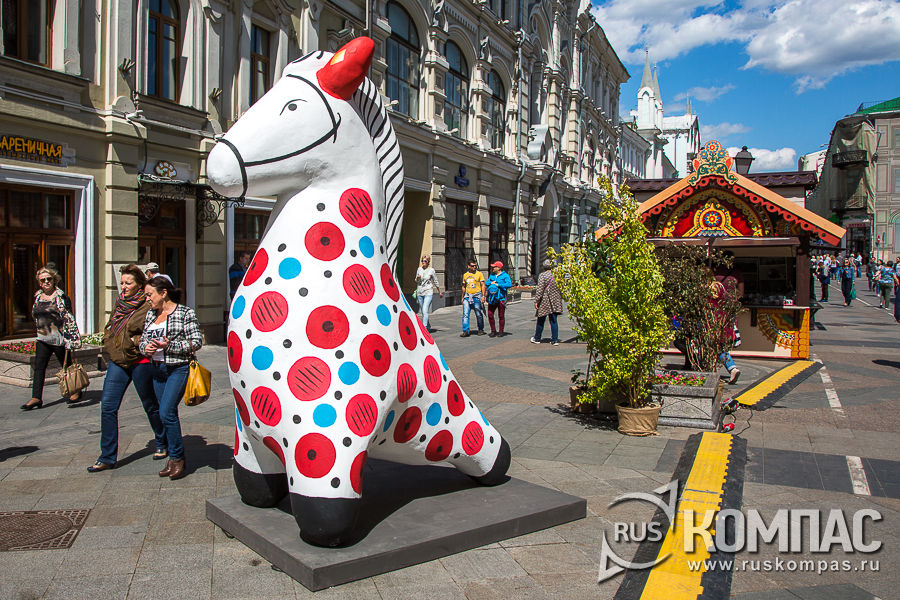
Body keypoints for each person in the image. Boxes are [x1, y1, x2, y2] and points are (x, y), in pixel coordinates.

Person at [87, 265, 167, 472]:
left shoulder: (148, 305)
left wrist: (136, 341)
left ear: (139, 285)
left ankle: (162, 440)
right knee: (108, 407)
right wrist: (108, 340)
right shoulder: (121, 302)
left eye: (128, 283)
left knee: (150, 405)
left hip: (140, 361)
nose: (123, 287)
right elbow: (112, 326)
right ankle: (107, 457)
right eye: (122, 282)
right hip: (118, 361)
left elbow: (155, 329)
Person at [139, 276, 202, 480]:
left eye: (150, 294)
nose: (147, 299)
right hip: (157, 369)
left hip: (178, 368)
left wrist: (169, 346)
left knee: (166, 411)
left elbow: (196, 342)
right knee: (165, 413)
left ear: (163, 293)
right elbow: (142, 340)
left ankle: (177, 458)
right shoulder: (151, 314)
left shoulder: (184, 313)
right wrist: (146, 349)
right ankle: (173, 457)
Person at [21, 267, 82, 410]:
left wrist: (71, 339)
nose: (46, 282)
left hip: (59, 339)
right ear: (39, 283)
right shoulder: (38, 297)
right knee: (39, 368)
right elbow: (35, 315)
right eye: (43, 280)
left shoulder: (61, 297)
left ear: (54, 280)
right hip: (43, 339)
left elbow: (69, 318)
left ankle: (75, 391)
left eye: (49, 279)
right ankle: (36, 397)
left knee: (67, 367)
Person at [532, 259, 562, 345]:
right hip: (555, 300)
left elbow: (540, 289)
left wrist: (536, 300)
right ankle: (555, 340)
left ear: (544, 266)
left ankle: (537, 338)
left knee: (541, 319)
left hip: (545, 300)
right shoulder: (558, 275)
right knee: (553, 320)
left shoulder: (543, 275)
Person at [414, 255, 442, 331]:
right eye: (422, 261)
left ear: (428, 262)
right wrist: (417, 278)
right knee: (423, 312)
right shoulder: (419, 269)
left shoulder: (431, 270)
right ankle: (428, 326)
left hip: (428, 292)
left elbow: (435, 281)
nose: (423, 262)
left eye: (425, 261)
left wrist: (439, 291)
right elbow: (416, 280)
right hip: (420, 292)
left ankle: (424, 328)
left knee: (425, 310)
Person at [485, 261, 512, 337]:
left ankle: (501, 331)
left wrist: (498, 284)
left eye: (494, 267)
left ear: (499, 268)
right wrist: (491, 283)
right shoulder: (492, 275)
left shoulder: (505, 275)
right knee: (490, 314)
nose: (492, 268)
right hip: (492, 298)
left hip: (501, 298)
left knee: (501, 315)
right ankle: (493, 331)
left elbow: (509, 284)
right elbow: (486, 283)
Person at [460, 260, 485, 337]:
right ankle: (465, 331)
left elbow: (483, 285)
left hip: (476, 297)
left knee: (478, 313)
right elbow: (463, 287)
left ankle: (480, 329)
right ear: (468, 266)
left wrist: (483, 296)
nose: (474, 267)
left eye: (475, 266)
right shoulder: (465, 275)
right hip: (467, 297)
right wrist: (462, 297)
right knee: (465, 314)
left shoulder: (479, 274)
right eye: (472, 266)